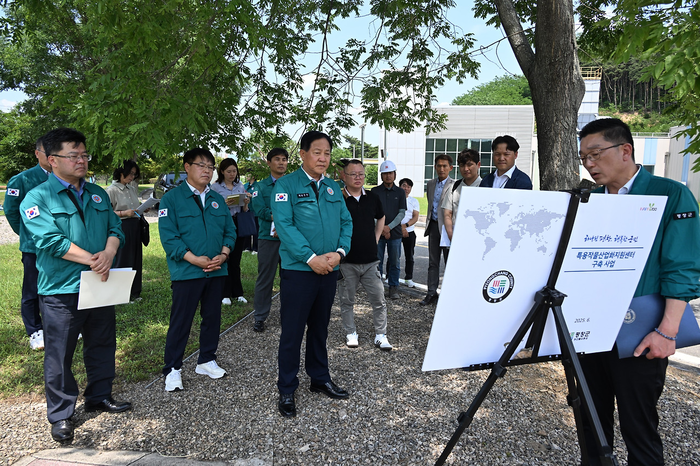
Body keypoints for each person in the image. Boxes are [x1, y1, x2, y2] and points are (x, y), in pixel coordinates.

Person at [577, 118, 700, 466]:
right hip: (589, 333)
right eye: (584, 158)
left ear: (625, 150)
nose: (589, 164)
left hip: (642, 334)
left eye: (595, 154)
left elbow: (682, 267)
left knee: (639, 428)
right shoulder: (588, 201)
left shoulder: (670, 194)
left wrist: (667, 332)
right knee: (590, 428)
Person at [20, 127, 131, 444]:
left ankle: (99, 395)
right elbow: (49, 241)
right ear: (53, 160)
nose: (81, 160)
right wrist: (94, 260)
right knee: (59, 354)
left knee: (102, 343)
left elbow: (115, 228)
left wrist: (108, 253)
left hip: (100, 283)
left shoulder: (97, 193)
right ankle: (61, 414)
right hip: (62, 288)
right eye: (74, 155)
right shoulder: (37, 198)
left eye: (84, 155)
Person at [271, 130, 353, 418]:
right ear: (303, 154)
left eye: (327, 153)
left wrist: (340, 252)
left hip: (329, 269)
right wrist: (310, 258)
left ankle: (319, 378)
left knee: (320, 329)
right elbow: (284, 226)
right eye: (317, 152)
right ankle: (287, 388)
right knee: (292, 332)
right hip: (299, 271)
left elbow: (346, 222)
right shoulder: (286, 185)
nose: (322, 158)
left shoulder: (332, 188)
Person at [158, 148, 236, 392]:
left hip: (217, 270)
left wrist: (224, 254)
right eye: (201, 165)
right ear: (187, 167)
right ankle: (172, 369)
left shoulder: (217, 200)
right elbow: (169, 237)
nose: (207, 171)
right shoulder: (172, 199)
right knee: (181, 321)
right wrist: (194, 259)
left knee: (212, 317)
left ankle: (206, 359)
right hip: (187, 272)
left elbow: (230, 231)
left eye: (210, 167)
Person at [338, 160, 392, 351]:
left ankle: (381, 335)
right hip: (347, 261)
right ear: (344, 176)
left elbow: (381, 217)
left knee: (378, 300)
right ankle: (351, 332)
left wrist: (376, 238)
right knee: (347, 301)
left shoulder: (372, 197)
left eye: (361, 174)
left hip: (370, 260)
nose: (358, 177)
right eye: (353, 174)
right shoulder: (338, 199)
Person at [5, 136, 50, 350]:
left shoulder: (64, 178)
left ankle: (56, 325)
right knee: (32, 289)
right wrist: (26, 233)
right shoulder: (22, 179)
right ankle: (35, 330)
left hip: (62, 244)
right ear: (37, 153)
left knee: (57, 286)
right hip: (34, 246)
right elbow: (11, 211)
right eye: (47, 152)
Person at [250, 148, 289, 333]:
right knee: (265, 278)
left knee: (290, 278)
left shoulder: (293, 184)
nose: (281, 163)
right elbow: (259, 210)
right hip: (268, 238)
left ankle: (288, 315)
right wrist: (281, 219)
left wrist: (285, 223)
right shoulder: (260, 187)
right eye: (277, 159)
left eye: (284, 159)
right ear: (269, 162)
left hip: (290, 239)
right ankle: (260, 317)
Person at [211, 158, 250, 305]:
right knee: (225, 258)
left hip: (238, 222)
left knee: (236, 260)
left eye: (234, 171)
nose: (232, 174)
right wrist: (223, 204)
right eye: (229, 171)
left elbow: (244, 210)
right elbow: (212, 209)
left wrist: (246, 203)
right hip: (223, 224)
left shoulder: (240, 186)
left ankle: (238, 292)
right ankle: (225, 293)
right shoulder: (215, 188)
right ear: (222, 172)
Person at [105, 160, 145, 302]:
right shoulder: (111, 190)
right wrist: (124, 213)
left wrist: (142, 208)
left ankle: (135, 291)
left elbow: (134, 207)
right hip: (121, 226)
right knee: (124, 259)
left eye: (134, 174)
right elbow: (106, 213)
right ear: (121, 172)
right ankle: (121, 294)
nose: (132, 177)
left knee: (135, 259)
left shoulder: (131, 189)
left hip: (135, 226)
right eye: (130, 173)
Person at [370, 160, 406, 300]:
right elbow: (371, 213)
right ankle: (377, 288)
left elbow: (401, 213)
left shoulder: (400, 192)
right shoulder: (375, 191)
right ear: (381, 175)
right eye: (385, 173)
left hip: (395, 233)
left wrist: (388, 227)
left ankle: (393, 287)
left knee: (395, 262)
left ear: (395, 174)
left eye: (390, 173)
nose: (388, 176)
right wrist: (382, 228)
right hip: (378, 233)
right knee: (377, 261)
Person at [421, 154, 454, 306]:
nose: (441, 169)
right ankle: (431, 293)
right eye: (439, 166)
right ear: (435, 167)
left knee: (449, 262)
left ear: (450, 168)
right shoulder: (430, 184)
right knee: (433, 262)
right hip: (434, 226)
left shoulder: (455, 185)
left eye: (444, 166)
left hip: (448, 228)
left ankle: (449, 295)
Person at [442, 148, 482, 243]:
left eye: (470, 165)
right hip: (456, 237)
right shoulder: (454, 187)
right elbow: (447, 214)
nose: (466, 169)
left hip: (479, 239)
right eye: (462, 165)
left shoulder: (485, 187)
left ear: (478, 165)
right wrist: (451, 235)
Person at [399, 178, 420, 288]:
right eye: (404, 185)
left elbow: (415, 217)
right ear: (399, 186)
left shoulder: (414, 201)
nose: (406, 188)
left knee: (409, 256)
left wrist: (405, 227)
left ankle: (409, 278)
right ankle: (390, 276)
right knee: (394, 255)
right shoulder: (396, 199)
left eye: (408, 186)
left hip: (410, 231)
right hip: (396, 231)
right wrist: (401, 228)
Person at [243, 171, 259, 253]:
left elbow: (259, 197)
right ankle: (247, 247)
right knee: (247, 229)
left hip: (255, 211)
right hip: (247, 210)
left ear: (253, 176)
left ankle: (256, 248)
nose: (246, 176)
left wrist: (252, 196)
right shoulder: (245, 185)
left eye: (248, 174)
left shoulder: (258, 186)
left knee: (256, 230)